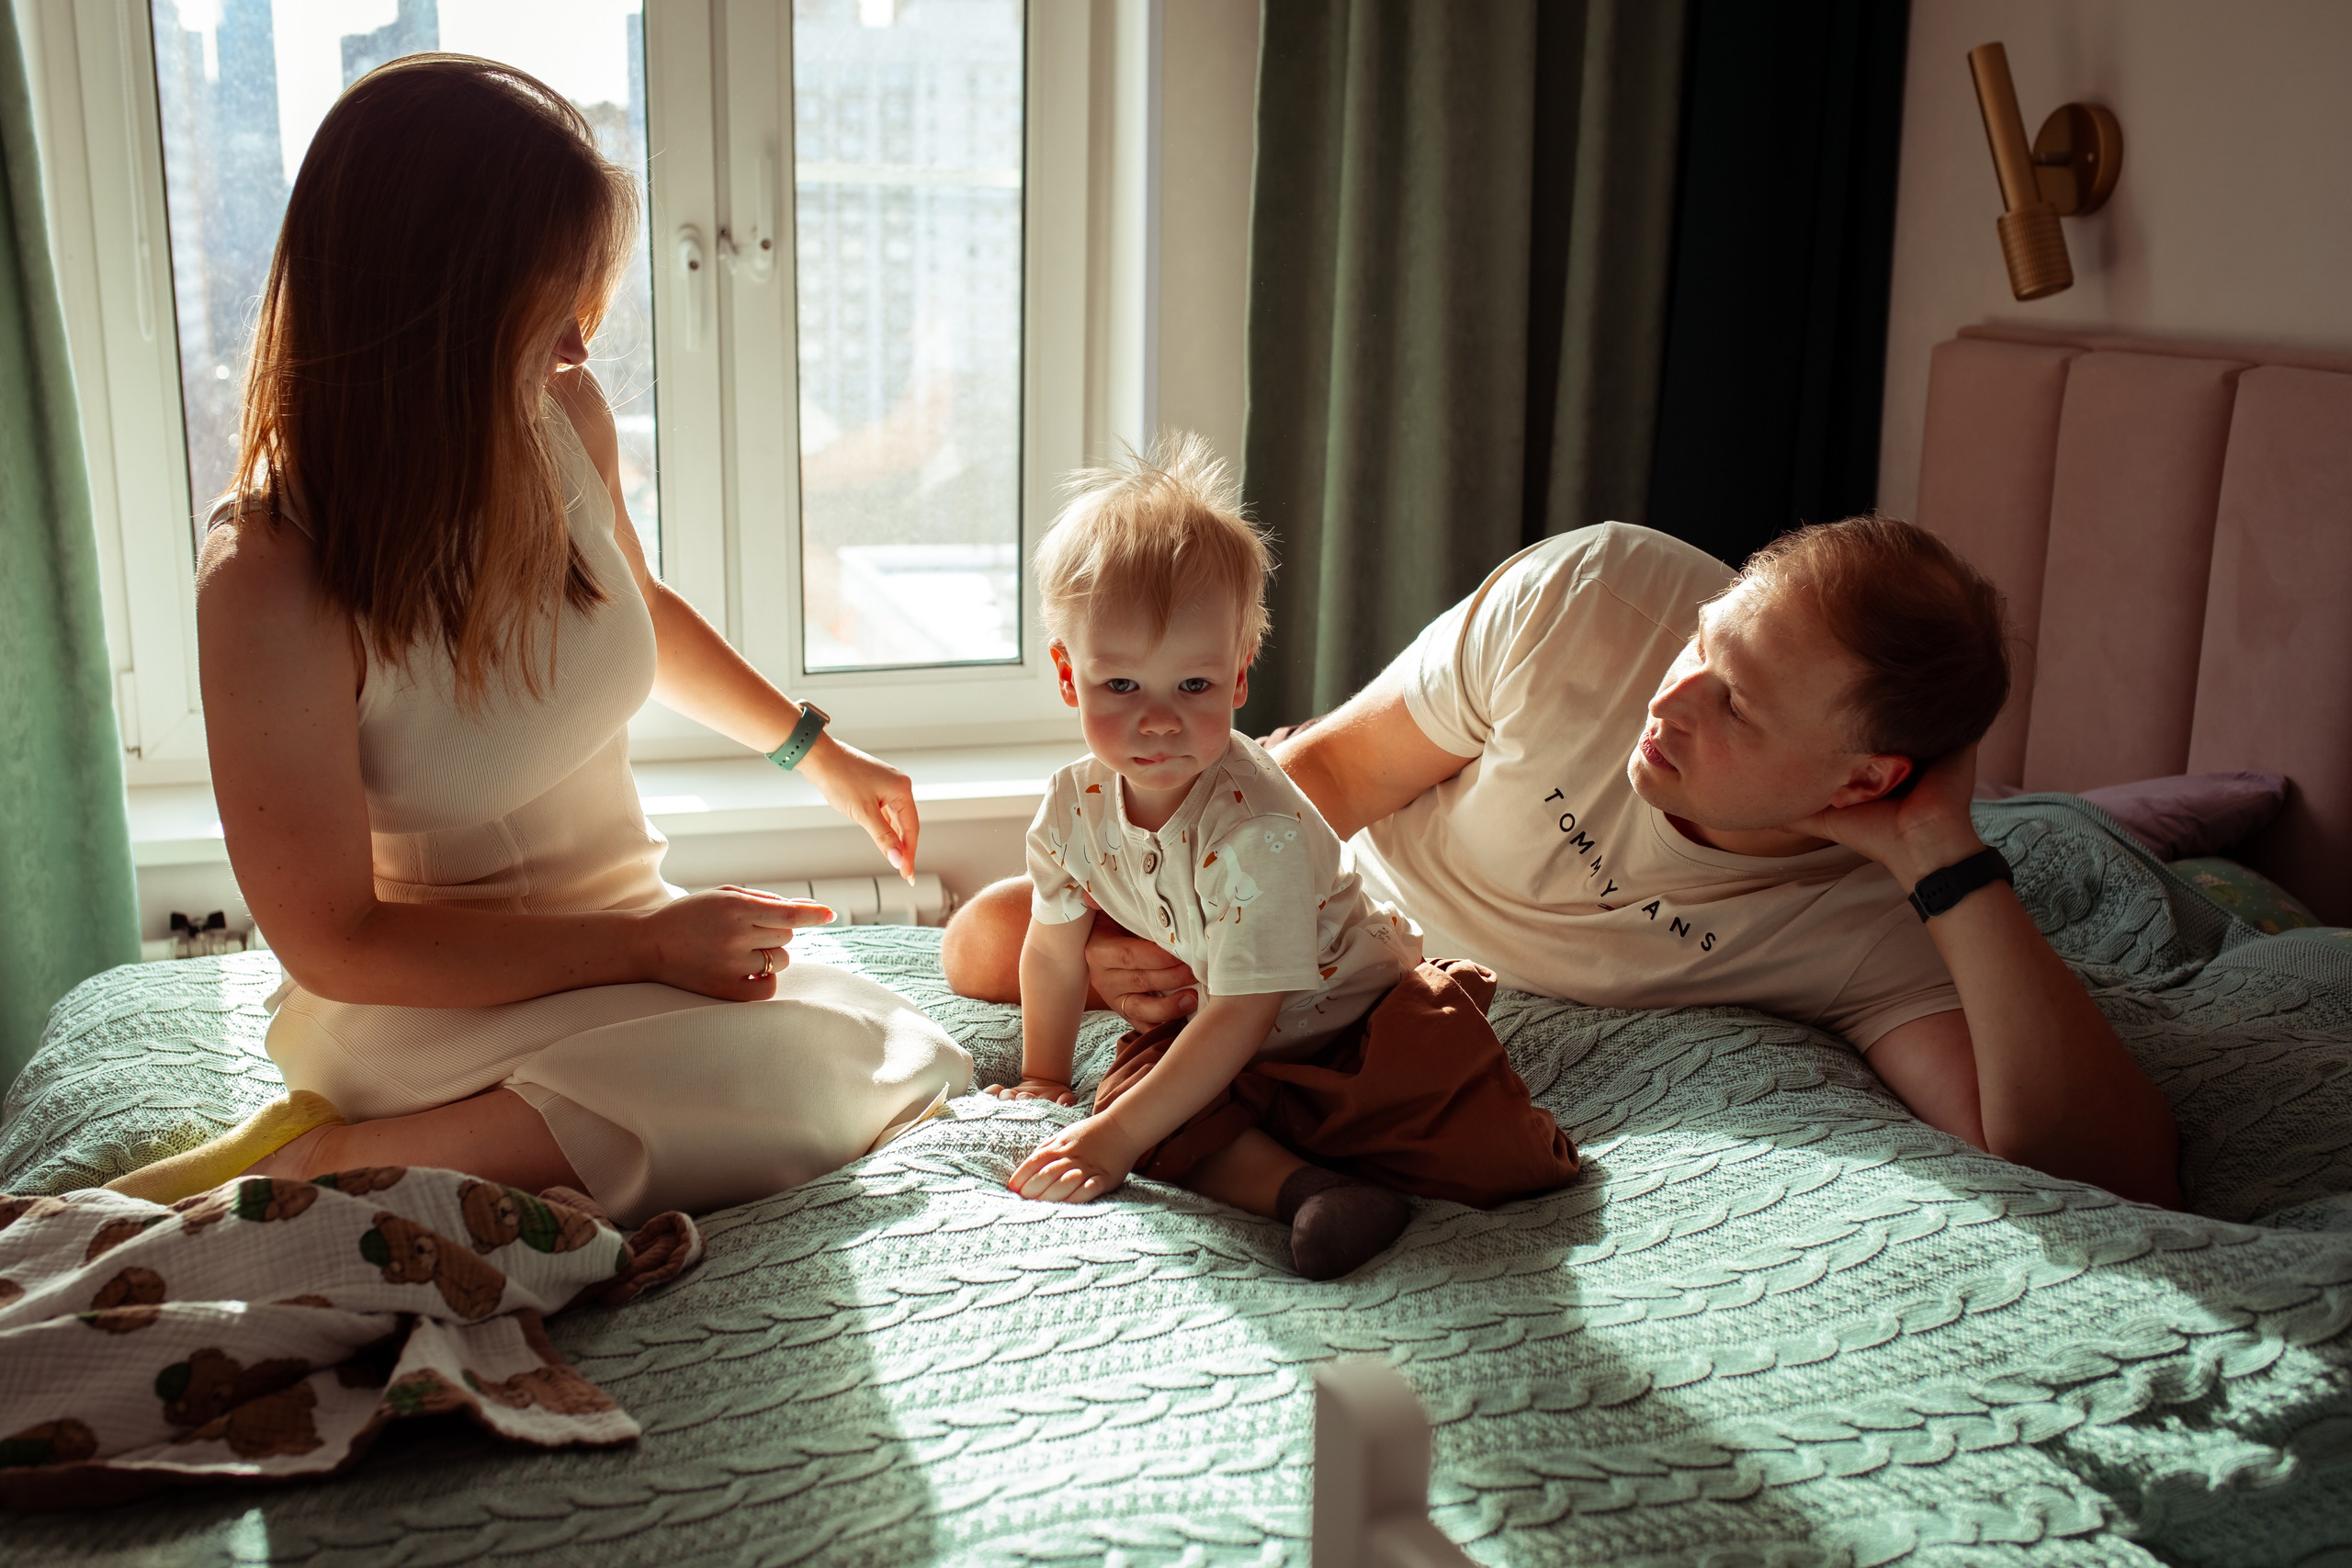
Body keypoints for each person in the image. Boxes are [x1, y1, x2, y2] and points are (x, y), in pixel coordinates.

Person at [103, 57, 970, 1225]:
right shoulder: (269, 574)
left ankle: (464, 1149)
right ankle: (335, 1161)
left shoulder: (560, 416)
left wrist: (822, 752)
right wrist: (645, 952)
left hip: (624, 939)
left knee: (894, 1044)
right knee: (811, 1064)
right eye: (548, 296)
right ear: (433, 302)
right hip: (431, 999)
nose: (577, 338)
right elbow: (337, 941)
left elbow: (639, 611)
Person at [946, 514, 2184, 1210]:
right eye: (1709, 641)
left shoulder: (1872, 919)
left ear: (1865, 782)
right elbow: (1314, 781)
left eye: (1738, 706)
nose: (1675, 693)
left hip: (1401, 1001)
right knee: (988, 941)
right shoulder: (1594, 596)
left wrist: (1944, 851)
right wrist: (1157, 952)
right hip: (1292, 900)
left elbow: (2094, 1166)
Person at [990, 440, 1580, 1279]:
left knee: (1498, 1154)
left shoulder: (1253, 825)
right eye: (1120, 686)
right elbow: (1052, 945)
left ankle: (1354, 1150)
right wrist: (1046, 1078)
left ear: (1236, 678)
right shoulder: (1069, 808)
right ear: (1067, 674)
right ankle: (1312, 1192)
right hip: (1225, 1040)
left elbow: (1244, 1011)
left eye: (1191, 686)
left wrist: (1114, 1140)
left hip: (1358, 1024)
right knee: (1131, 1100)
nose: (1157, 721)